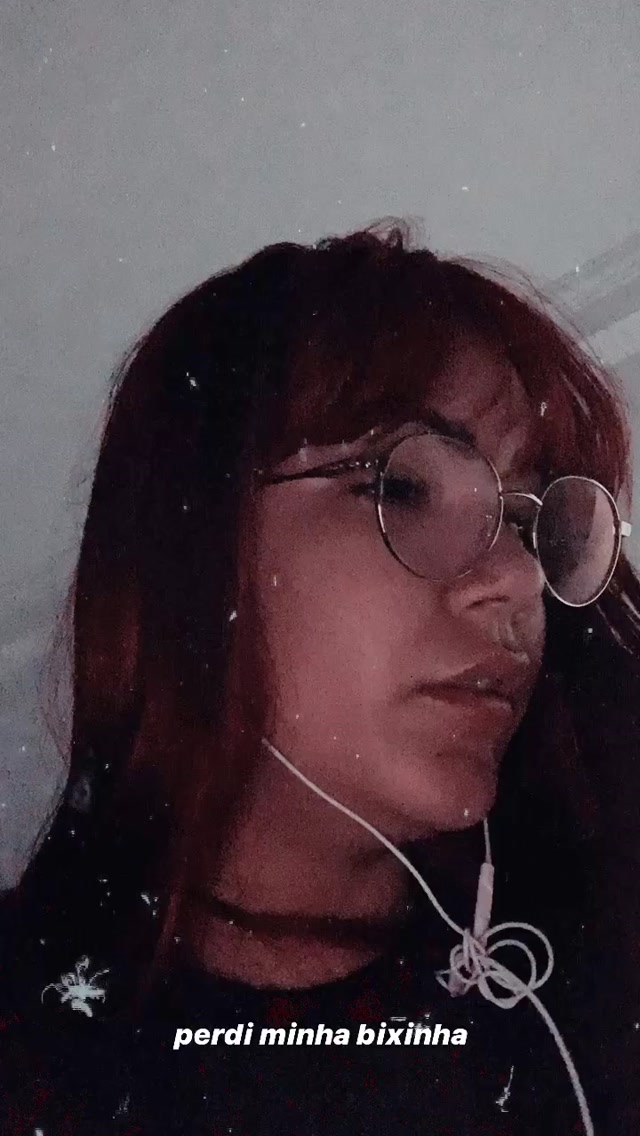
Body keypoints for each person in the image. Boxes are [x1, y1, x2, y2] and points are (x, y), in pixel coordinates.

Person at [1, 217, 639, 1135]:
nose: (516, 580)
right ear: (195, 542)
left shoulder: (595, 973)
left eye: (531, 523)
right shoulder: (33, 1048)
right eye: (406, 487)